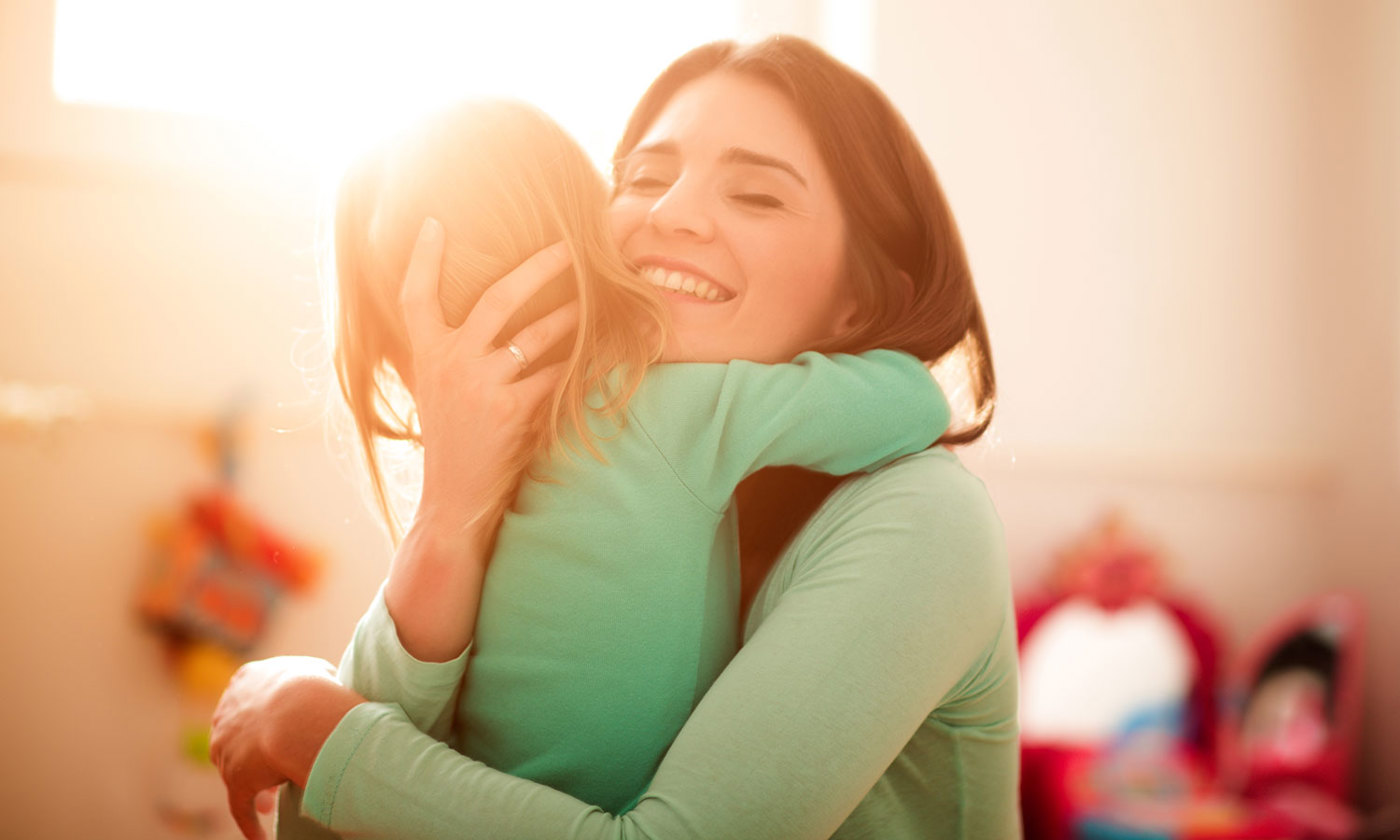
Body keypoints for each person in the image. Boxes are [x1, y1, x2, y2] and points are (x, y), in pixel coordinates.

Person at [210, 35, 1020, 840]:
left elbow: (344, 761)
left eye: (758, 196)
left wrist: (317, 732)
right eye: (644, 178)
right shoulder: (578, 454)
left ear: (861, 302)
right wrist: (449, 514)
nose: (670, 215)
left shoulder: (922, 518)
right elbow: (342, 815)